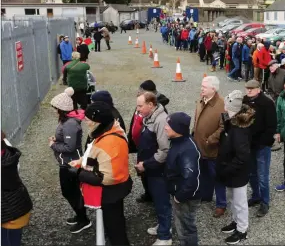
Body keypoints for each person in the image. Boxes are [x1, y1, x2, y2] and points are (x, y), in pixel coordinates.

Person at [68, 102, 132, 245]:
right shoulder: (108, 131)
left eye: (89, 119)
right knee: (114, 223)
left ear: (98, 121)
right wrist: (81, 162)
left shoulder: (109, 142)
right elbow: (95, 155)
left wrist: (79, 172)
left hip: (111, 192)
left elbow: (107, 178)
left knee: (115, 229)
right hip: (116, 190)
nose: (86, 121)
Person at [49, 88, 91, 233]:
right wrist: (57, 139)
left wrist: (54, 145)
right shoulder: (67, 121)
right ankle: (80, 216)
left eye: (56, 109)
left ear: (62, 109)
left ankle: (83, 219)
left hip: (71, 164)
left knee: (71, 192)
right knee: (71, 191)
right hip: (67, 163)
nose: (54, 111)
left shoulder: (70, 124)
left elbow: (70, 147)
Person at [134, 92, 172, 245]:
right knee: (158, 201)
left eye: (140, 106)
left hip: (158, 170)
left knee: (162, 201)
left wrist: (146, 164)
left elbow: (164, 151)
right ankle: (164, 225)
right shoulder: (150, 117)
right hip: (151, 169)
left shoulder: (161, 121)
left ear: (151, 105)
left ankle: (165, 236)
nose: (137, 110)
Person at [217, 90, 254, 245]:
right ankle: (235, 222)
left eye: (227, 106)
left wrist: (227, 169)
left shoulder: (240, 131)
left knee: (240, 202)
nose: (224, 108)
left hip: (237, 173)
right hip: (231, 171)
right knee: (232, 199)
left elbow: (242, 157)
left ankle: (242, 230)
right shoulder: (232, 122)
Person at [164, 113, 201, 246]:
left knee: (186, 228)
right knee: (181, 226)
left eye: (168, 125)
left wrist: (179, 197)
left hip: (185, 198)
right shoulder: (177, 142)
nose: (165, 127)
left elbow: (191, 180)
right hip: (178, 192)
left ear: (178, 129)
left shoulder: (187, 150)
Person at [192, 76, 227, 218]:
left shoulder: (222, 104)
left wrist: (211, 139)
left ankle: (221, 204)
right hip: (199, 147)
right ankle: (206, 196)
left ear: (213, 88)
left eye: (204, 87)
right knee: (203, 174)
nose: (201, 88)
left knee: (217, 177)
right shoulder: (201, 100)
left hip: (213, 149)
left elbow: (224, 126)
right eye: (202, 86)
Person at [242, 80, 276, 217]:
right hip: (248, 145)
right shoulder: (245, 101)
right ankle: (256, 195)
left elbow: (272, 125)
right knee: (251, 173)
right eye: (247, 89)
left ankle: (265, 201)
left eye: (252, 88)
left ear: (258, 89)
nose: (249, 91)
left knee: (263, 175)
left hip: (262, 145)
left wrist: (266, 142)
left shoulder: (267, 103)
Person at [2, 131, 33, 246]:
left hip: (6, 209)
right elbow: (17, 169)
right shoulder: (7, 147)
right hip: (19, 203)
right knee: (13, 236)